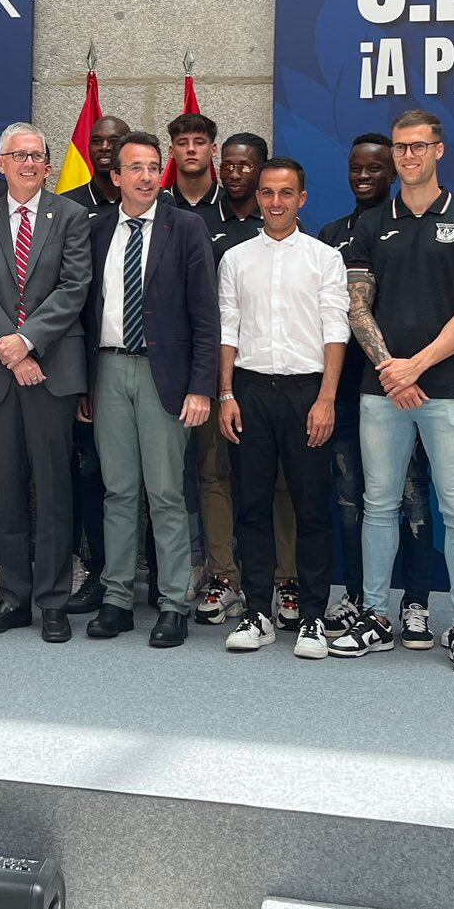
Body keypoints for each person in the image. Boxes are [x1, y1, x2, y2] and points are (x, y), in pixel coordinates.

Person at [329, 110, 454, 677]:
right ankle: (375, 615)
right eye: (401, 147)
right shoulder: (372, 224)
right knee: (379, 504)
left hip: (446, 390)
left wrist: (415, 367)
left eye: (419, 147)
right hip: (383, 392)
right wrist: (389, 370)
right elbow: (357, 305)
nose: (408, 157)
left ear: (439, 151)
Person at [80, 131, 217, 648]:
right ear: (115, 177)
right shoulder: (95, 230)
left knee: (164, 492)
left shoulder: (186, 228)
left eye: (152, 166)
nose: (144, 176)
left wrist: (201, 387)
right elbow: (84, 310)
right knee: (117, 491)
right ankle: (116, 598)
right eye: (133, 168)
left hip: (166, 377)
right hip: (109, 371)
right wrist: (83, 386)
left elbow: (206, 315)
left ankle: (173, 603)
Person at [0, 122, 94, 642]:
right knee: (8, 487)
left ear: (47, 163)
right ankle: (13, 598)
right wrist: (14, 352)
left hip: (52, 368)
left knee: (55, 488)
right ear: (1, 162)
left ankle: (54, 601)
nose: (28, 164)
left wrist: (30, 341)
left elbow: (74, 286)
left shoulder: (71, 216)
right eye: (18, 156)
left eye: (37, 156)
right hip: (0, 370)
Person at [216, 157, 350, 656]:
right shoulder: (236, 259)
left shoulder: (324, 258)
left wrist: (327, 399)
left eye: (286, 193)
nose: (275, 202)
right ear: (259, 198)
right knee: (251, 506)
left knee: (312, 507)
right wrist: (226, 394)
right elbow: (228, 328)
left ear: (302, 199)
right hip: (249, 392)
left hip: (307, 394)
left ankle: (313, 616)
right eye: (268, 193)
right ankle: (256, 612)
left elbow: (336, 331)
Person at [317, 134, 436, 644]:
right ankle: (362, 596)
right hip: (348, 387)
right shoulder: (330, 235)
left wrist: (397, 369)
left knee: (411, 496)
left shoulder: (406, 225)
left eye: (375, 169)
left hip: (404, 385)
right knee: (351, 498)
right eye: (355, 169)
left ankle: (415, 603)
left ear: (394, 173)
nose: (364, 177)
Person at [193, 131, 268, 624]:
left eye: (248, 166)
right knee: (213, 474)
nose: (237, 172)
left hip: (268, 373)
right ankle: (223, 575)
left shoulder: (281, 223)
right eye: (231, 165)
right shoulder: (195, 222)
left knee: (273, 480)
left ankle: (280, 579)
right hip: (213, 370)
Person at [61, 112, 129, 614]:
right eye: (97, 141)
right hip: (85, 361)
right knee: (90, 473)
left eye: (114, 142)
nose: (103, 149)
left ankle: (133, 575)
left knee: (140, 480)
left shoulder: (152, 208)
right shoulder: (66, 208)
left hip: (139, 362)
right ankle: (99, 572)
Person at [166, 112, 220, 215]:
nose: (191, 149)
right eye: (182, 143)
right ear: (171, 151)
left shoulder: (231, 205)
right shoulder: (158, 204)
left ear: (213, 150)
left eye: (199, 143)